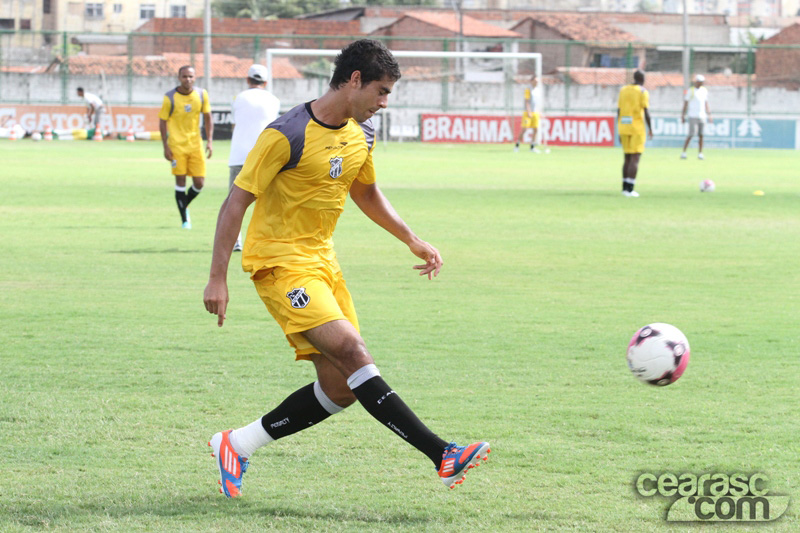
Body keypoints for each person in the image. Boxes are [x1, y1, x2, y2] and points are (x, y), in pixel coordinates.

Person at [203, 39, 490, 498]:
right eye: (380, 91)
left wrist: (412, 239)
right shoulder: (286, 133)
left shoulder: (362, 134)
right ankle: (442, 454)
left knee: (340, 388)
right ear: (354, 80)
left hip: (323, 262)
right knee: (355, 352)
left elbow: (366, 192)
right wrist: (217, 276)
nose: (384, 103)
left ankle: (237, 444)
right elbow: (236, 201)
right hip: (279, 263)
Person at [228, 63, 280, 251]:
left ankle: (235, 241)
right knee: (268, 202)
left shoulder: (238, 98)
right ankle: (266, 240)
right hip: (265, 156)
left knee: (235, 202)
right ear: (265, 82)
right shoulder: (274, 100)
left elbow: (234, 125)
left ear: (248, 80)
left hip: (239, 155)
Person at [158, 66, 212, 229]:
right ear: (179, 78)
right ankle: (184, 220)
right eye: (184, 76)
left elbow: (208, 117)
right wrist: (165, 146)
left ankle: (183, 204)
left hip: (196, 145)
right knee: (180, 180)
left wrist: (209, 140)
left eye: (190, 76)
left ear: (195, 78)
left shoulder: (201, 95)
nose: (187, 79)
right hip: (176, 147)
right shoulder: (170, 98)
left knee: (199, 183)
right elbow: (162, 121)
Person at [617, 70, 653, 197]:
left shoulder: (623, 90)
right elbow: (646, 111)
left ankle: (624, 188)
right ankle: (630, 189)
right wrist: (651, 128)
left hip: (623, 127)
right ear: (643, 79)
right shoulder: (642, 91)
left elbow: (619, 110)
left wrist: (619, 128)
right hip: (636, 128)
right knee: (635, 158)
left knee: (627, 158)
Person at [680, 74, 712, 160]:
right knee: (691, 134)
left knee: (701, 135)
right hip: (692, 115)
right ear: (696, 82)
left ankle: (700, 153)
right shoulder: (691, 90)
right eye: (700, 82)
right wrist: (682, 115)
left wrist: (709, 115)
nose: (701, 83)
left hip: (702, 115)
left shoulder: (704, 90)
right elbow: (685, 103)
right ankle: (684, 152)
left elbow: (706, 103)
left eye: (702, 82)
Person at [514, 75, 540, 153]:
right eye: (535, 81)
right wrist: (529, 111)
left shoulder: (537, 90)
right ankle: (517, 145)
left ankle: (532, 147)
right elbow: (527, 101)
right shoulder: (528, 89)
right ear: (531, 81)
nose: (536, 82)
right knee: (524, 129)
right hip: (527, 112)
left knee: (536, 129)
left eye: (537, 81)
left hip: (535, 112)